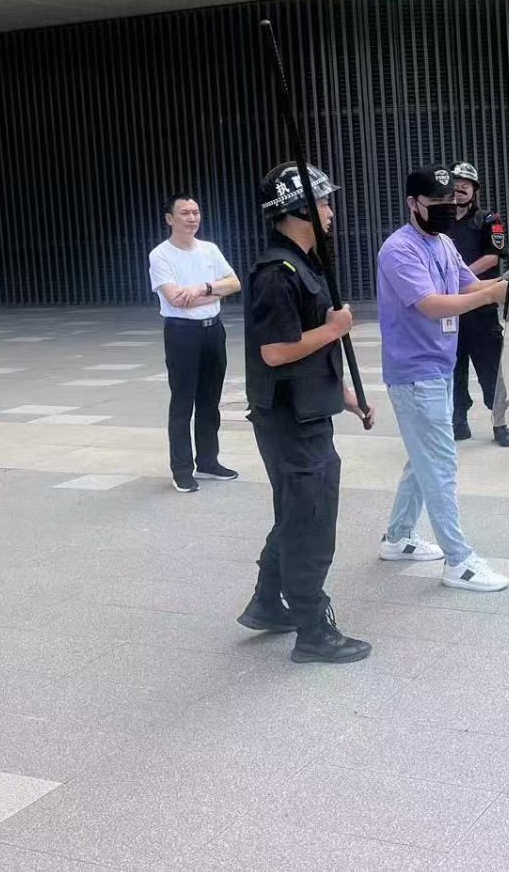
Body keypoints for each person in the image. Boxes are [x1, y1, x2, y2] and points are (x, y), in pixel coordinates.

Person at [240, 163, 373, 663]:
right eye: (322, 202)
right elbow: (276, 352)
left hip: (307, 411)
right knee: (311, 522)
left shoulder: (304, 265)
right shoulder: (278, 273)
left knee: (296, 514)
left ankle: (267, 604)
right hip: (291, 422)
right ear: (297, 210)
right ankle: (313, 630)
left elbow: (307, 355)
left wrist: (344, 394)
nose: (330, 211)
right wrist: (335, 328)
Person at [377, 168, 509, 592]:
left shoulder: (444, 243)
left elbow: (468, 285)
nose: (446, 210)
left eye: (450, 202)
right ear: (412, 203)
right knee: (439, 464)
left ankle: (398, 537)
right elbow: (432, 305)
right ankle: (459, 561)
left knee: (423, 458)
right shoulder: (399, 250)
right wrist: (490, 295)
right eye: (436, 203)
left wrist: (508, 281)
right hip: (415, 374)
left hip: (439, 366)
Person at [149, 194, 242, 492]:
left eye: (196, 212)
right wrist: (216, 293)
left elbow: (235, 283)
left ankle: (208, 461)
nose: (192, 218)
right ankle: (181, 469)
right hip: (181, 333)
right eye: (185, 213)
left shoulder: (209, 249)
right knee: (182, 402)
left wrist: (204, 288)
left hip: (213, 330)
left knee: (210, 401)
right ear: (169, 219)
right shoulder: (160, 255)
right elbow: (177, 300)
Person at [446, 161, 509, 448]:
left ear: (474, 190)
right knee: (454, 367)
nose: (460, 189)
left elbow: (493, 256)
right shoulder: (439, 221)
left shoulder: (488, 219)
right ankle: (458, 420)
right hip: (451, 306)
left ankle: (500, 423)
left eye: (466, 185)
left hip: (481, 305)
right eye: (455, 185)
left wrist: (459, 276)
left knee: (490, 368)